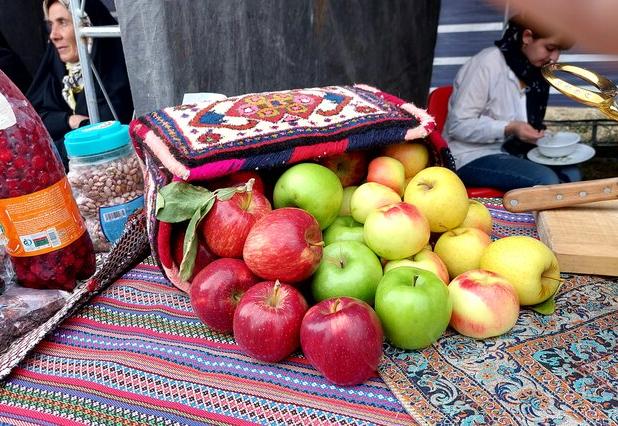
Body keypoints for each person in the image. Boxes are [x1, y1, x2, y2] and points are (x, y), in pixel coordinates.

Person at [443, 15, 581, 191]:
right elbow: (458, 125)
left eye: (559, 51)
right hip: (469, 155)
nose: (554, 58)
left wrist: (536, 134)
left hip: (511, 150)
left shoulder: (534, 72)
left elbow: (525, 119)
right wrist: (509, 127)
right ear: (527, 37)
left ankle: (560, 218)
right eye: (550, 48)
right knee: (546, 180)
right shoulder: (487, 63)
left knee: (572, 174)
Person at [27, 0, 133, 169]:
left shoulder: (115, 78)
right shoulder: (55, 71)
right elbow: (31, 123)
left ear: (88, 25)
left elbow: (102, 137)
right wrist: (71, 121)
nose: (54, 35)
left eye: (62, 23)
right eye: (50, 24)